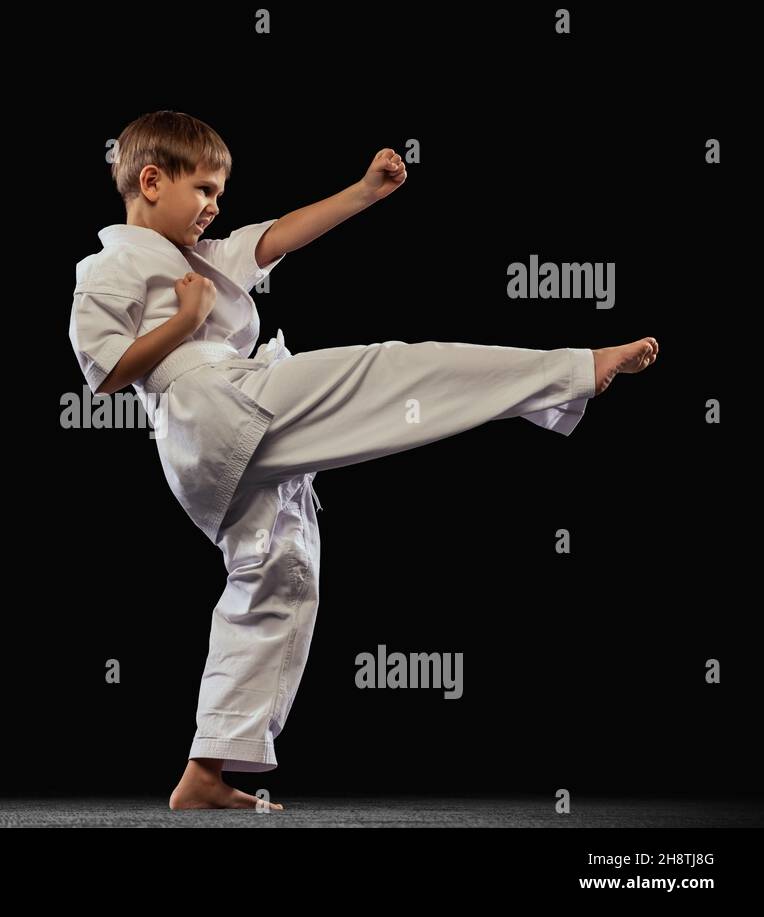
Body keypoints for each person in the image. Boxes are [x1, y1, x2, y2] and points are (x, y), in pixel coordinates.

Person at [67, 111, 658, 811]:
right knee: (390, 373)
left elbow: (277, 235)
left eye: (220, 192)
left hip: (216, 437)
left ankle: (206, 769)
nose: (215, 205)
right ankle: (573, 371)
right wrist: (184, 324)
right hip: (210, 404)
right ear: (152, 179)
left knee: (278, 575)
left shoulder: (201, 259)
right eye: (203, 189)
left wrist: (361, 192)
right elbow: (103, 373)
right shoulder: (111, 264)